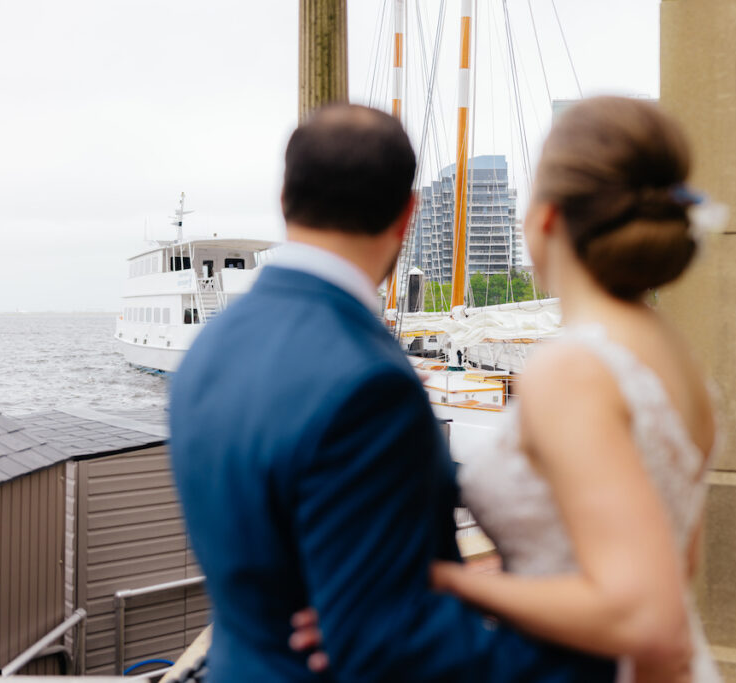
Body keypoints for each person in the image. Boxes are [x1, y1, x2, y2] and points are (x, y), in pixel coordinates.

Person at [168, 104, 617, 682]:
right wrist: (590, 657)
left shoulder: (209, 348)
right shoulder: (368, 382)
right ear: (408, 214)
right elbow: (386, 644)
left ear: (285, 198)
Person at [429, 96, 723, 681]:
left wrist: (448, 583)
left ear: (547, 216)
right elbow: (680, 562)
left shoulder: (572, 370)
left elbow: (645, 616)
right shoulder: (673, 353)